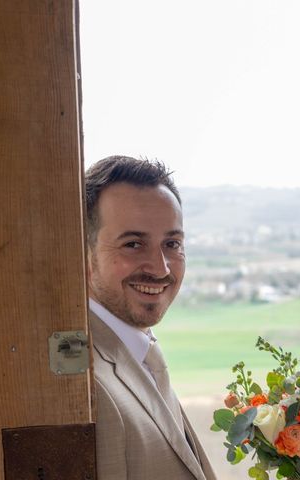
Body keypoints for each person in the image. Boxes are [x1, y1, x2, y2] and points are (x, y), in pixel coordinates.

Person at [85, 156, 216, 480]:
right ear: (83, 252)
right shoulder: (87, 386)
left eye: (172, 244)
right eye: (133, 244)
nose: (160, 268)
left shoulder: (137, 352)